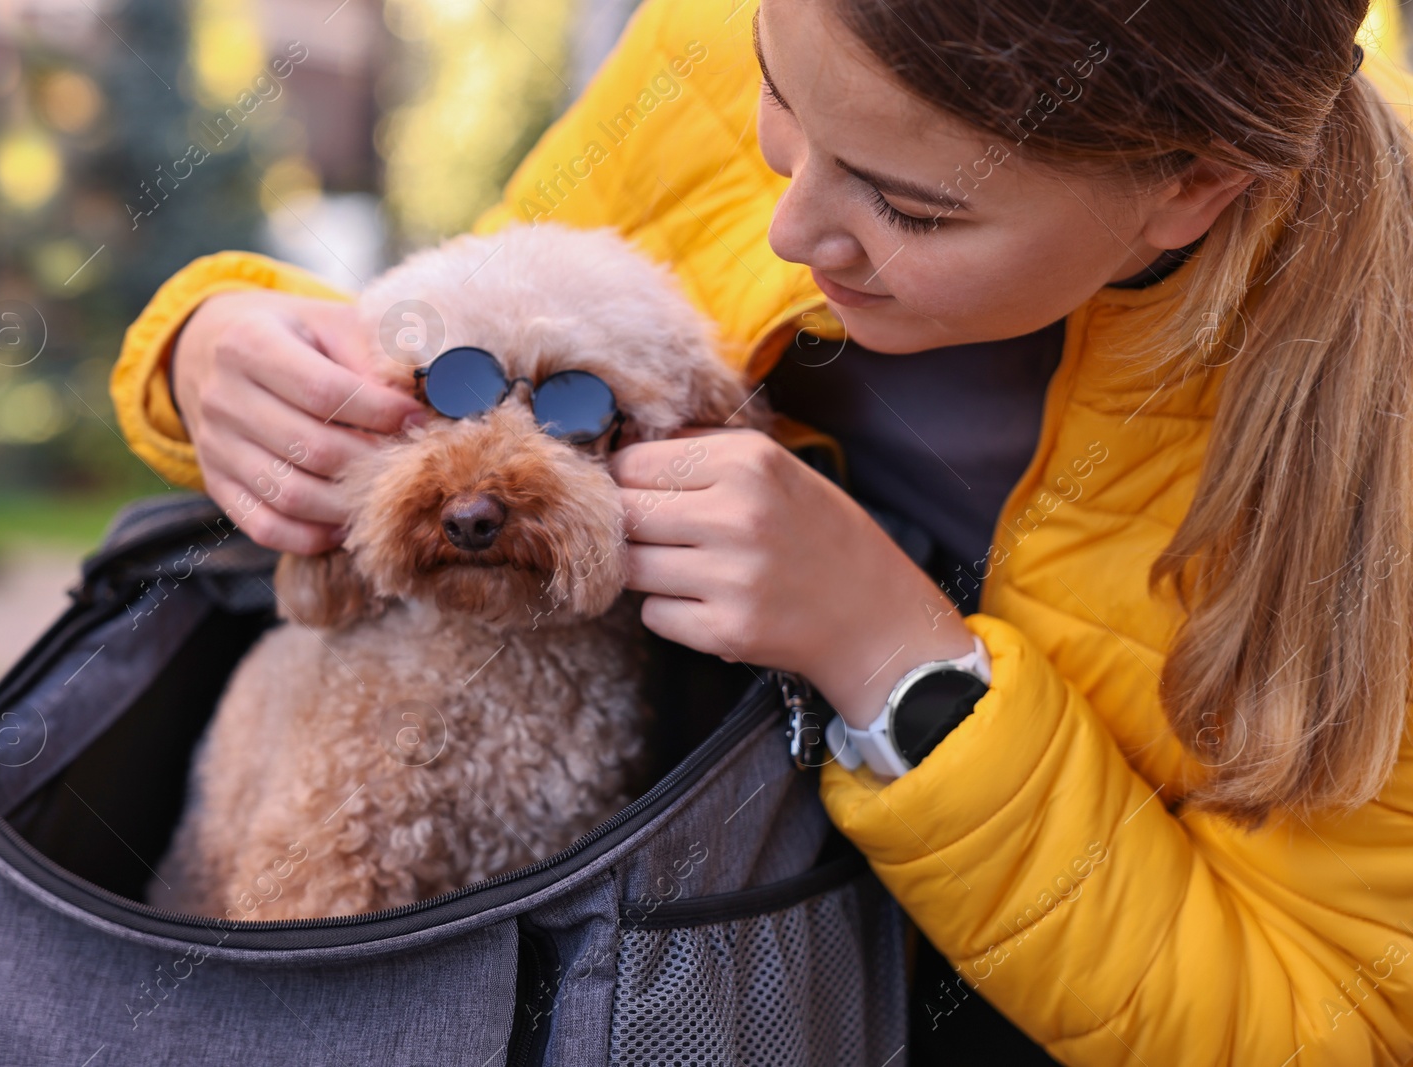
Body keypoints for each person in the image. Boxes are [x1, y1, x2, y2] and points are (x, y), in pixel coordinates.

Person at [111, 0, 1413, 1060]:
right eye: (781, 98)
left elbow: (1327, 1023)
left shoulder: (1372, 451)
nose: (790, 229)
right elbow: (469, 331)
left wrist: (906, 671)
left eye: (915, 206)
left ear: (1190, 187)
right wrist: (215, 343)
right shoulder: (698, 37)